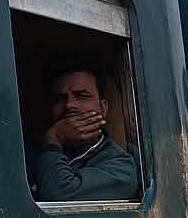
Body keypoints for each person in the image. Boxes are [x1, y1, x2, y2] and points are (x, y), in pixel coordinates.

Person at [34, 64, 138, 203]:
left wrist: (54, 138)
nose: (69, 105)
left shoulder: (121, 167)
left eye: (82, 96)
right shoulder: (30, 157)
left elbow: (58, 197)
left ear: (103, 108)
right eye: (60, 98)